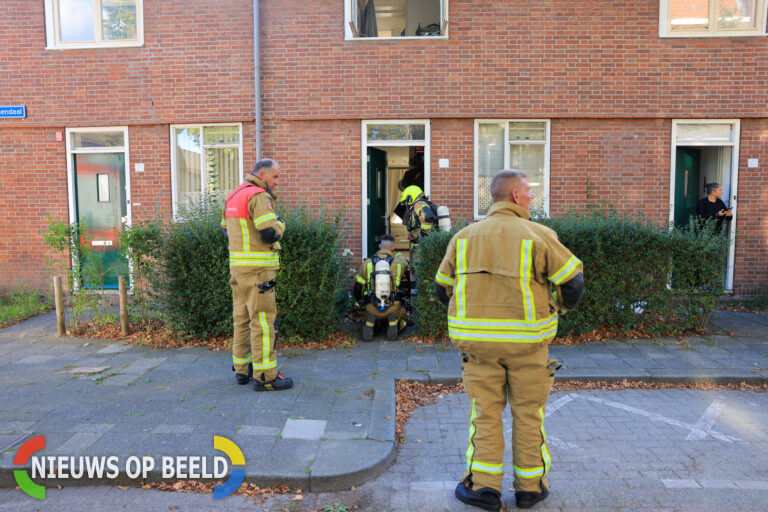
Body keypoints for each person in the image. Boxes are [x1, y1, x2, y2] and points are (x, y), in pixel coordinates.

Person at [434, 170, 584, 511]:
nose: (532, 197)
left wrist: (471, 313)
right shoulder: (539, 235)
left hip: (478, 349)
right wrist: (555, 309)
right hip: (529, 347)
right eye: (529, 192)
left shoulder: (464, 237)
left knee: (484, 416)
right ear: (516, 196)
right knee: (529, 414)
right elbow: (573, 284)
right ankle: (531, 489)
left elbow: (442, 288)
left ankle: (483, 489)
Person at [221, 158, 293, 391]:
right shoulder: (259, 197)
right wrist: (281, 223)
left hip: (238, 270)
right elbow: (270, 233)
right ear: (262, 175)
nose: (277, 182)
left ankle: (242, 370)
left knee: (241, 319)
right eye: (275, 177)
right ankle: (265, 377)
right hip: (259, 271)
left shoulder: (233, 195)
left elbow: (225, 230)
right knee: (263, 322)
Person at [353, 234, 409, 341]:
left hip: (371, 306)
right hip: (393, 306)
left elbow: (358, 288)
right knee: (403, 317)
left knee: (370, 315)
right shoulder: (398, 264)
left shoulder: (367, 263)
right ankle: (395, 324)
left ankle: (371, 324)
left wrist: (357, 303)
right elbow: (404, 288)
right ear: (393, 248)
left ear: (379, 246)